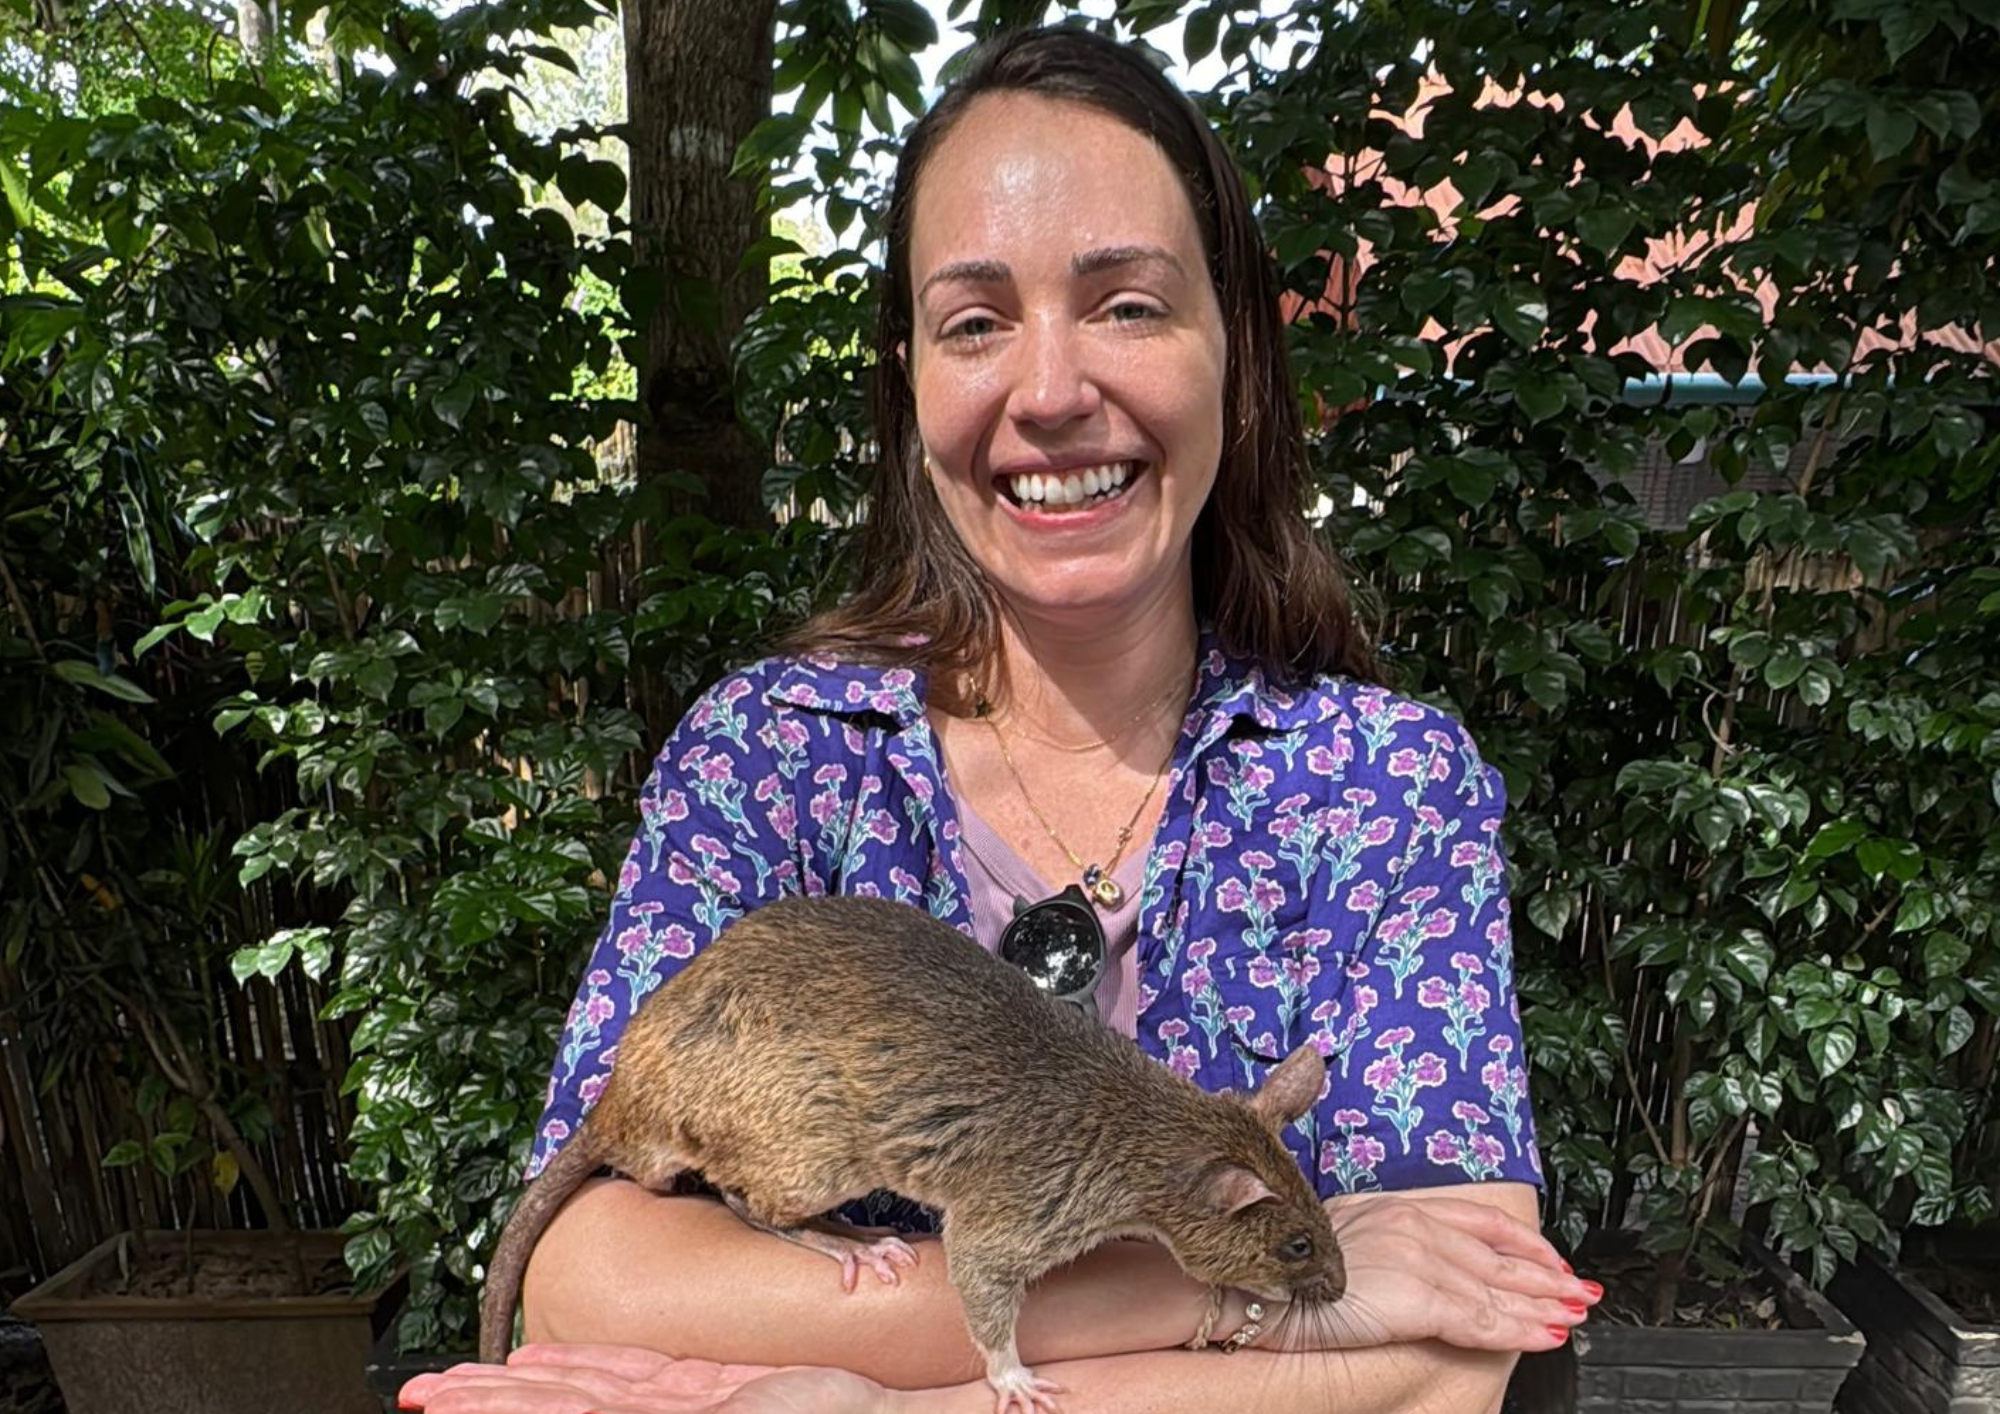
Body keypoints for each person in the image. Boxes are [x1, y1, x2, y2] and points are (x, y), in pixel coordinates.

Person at [401, 23, 1600, 1414]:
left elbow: (1459, 1351)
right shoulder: (772, 757)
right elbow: (589, 1275)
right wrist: (1197, 1298)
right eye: (975, 322)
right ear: (909, 386)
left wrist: (877, 1403)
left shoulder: (1384, 785)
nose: (1048, 393)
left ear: (1243, 358)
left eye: (1129, 304)